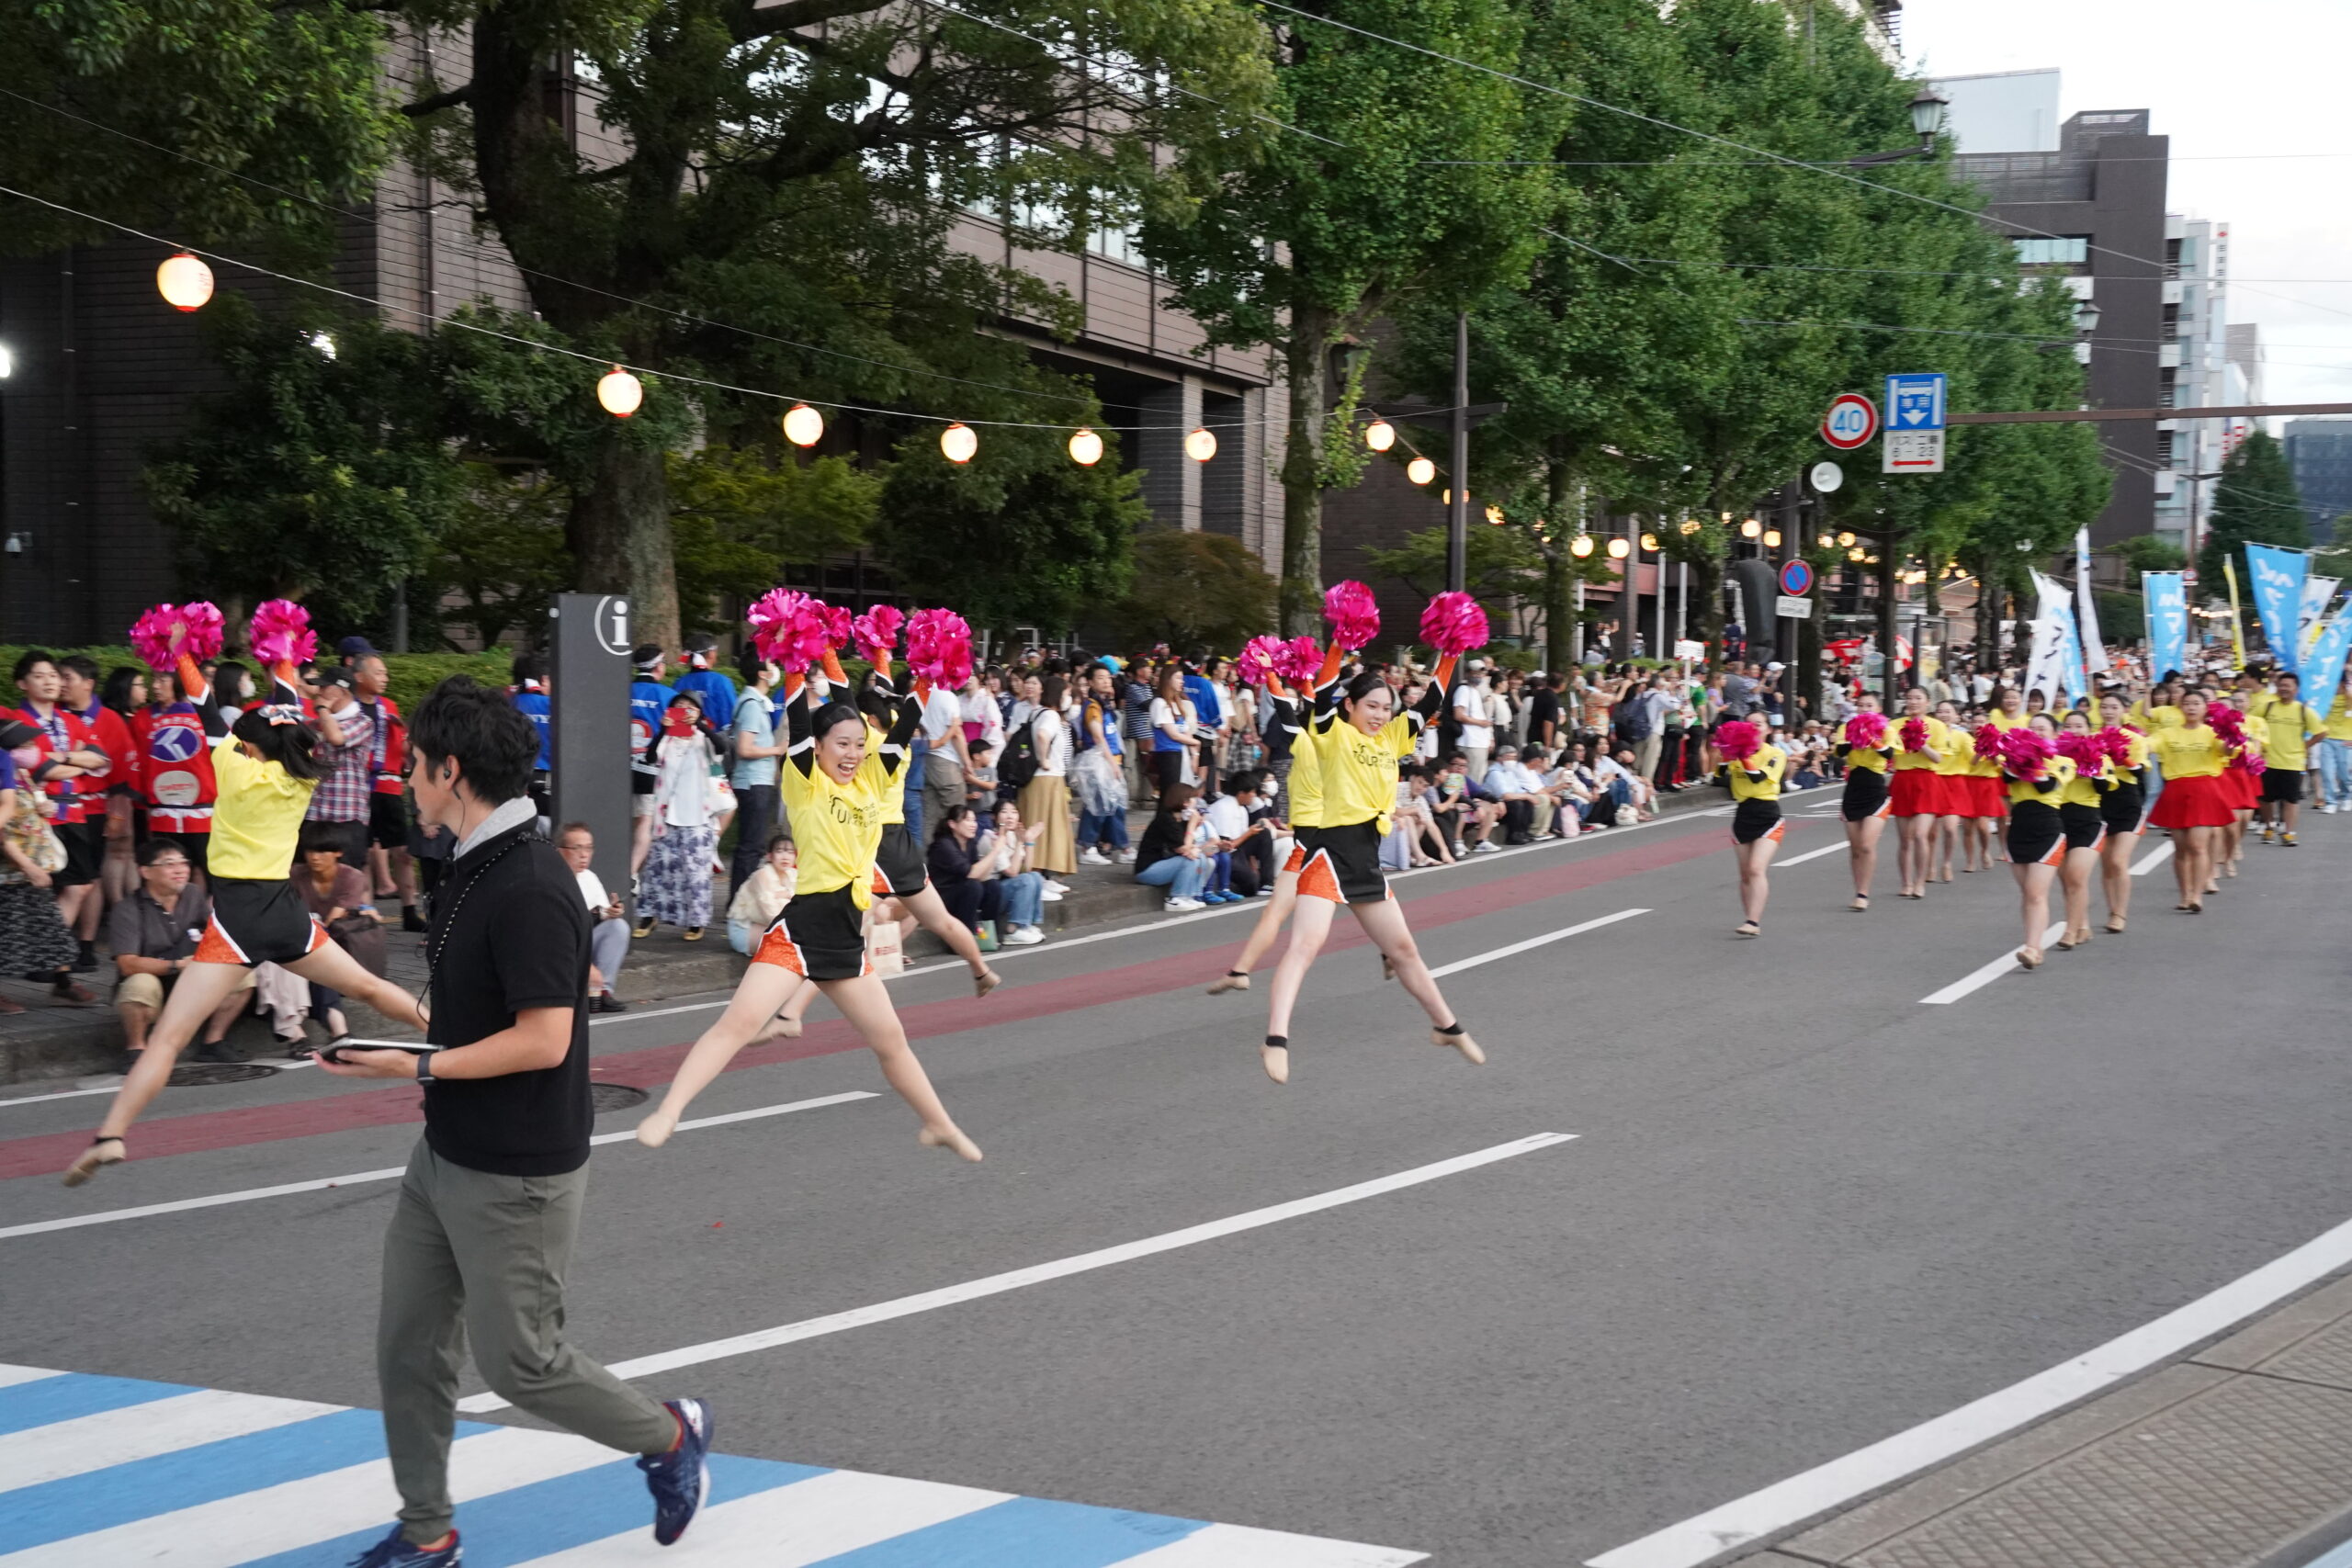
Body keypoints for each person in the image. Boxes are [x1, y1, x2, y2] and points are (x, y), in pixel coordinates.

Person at [311, 675, 713, 1567]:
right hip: (444, 1152)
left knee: (523, 1362)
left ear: (450, 771)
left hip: (519, 1170)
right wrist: (399, 1040)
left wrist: (414, 1064)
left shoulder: (530, 883)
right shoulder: (473, 864)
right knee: (410, 1350)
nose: (405, 783)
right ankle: (428, 1534)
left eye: (413, 766)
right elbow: (470, 1006)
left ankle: (671, 1434)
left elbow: (543, 1039)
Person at [64, 653, 424, 1184]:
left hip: (233, 923)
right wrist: (283, 651)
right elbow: (284, 705)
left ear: (249, 746)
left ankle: (111, 1135)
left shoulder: (234, 767)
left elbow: (203, 702)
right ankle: (448, 1036)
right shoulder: (300, 778)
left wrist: (181, 650)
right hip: (286, 913)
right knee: (369, 988)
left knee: (167, 1041)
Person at [634, 665, 980, 1162]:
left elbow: (903, 727)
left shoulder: (871, 780)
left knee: (892, 1042)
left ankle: (938, 1124)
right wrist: (796, 666)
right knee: (737, 1025)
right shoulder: (805, 782)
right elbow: (799, 722)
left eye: (858, 744)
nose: (852, 753)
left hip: (847, 940)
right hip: (798, 935)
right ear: (817, 748)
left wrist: (926, 676)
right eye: (841, 744)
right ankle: (670, 1111)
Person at [1260, 663, 1482, 1087]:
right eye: (1371, 706)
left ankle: (1447, 1028)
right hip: (1328, 855)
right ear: (1350, 705)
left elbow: (1432, 700)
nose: (1380, 715)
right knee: (1305, 946)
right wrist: (1337, 645)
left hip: (1365, 860)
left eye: (1386, 708)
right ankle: (1275, 1040)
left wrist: (1451, 652)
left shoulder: (1392, 737)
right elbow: (1322, 691)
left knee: (1404, 951)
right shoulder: (1331, 732)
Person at [10, 651, 110, 974]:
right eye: (40, 676)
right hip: (36, 816)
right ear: (22, 684)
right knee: (38, 890)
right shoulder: (16, 721)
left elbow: (101, 760)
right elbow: (43, 770)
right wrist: (76, 761)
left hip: (74, 812)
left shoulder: (71, 720)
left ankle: (48, 958)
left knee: (80, 885)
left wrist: (60, 756)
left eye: (53, 675)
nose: (50, 681)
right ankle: (48, 961)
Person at [109, 839, 251, 1060]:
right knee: (140, 985)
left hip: (190, 979)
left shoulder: (192, 894)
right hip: (155, 981)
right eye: (169, 864)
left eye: (183, 863)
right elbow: (127, 964)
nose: (180, 870)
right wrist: (178, 965)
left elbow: (214, 933)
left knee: (243, 975)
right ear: (145, 872)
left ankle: (213, 1041)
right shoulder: (127, 909)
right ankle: (136, 1048)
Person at [281, 823, 385, 1053]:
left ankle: (334, 1027)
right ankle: (338, 1028)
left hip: (336, 943)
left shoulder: (352, 877)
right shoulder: (295, 875)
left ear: (338, 852)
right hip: (302, 942)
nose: (314, 857)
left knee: (320, 947)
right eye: (310, 851)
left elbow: (332, 920)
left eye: (322, 851)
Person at [634, 691, 720, 941]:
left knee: (695, 870)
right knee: (657, 868)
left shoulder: (703, 738)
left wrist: (700, 725)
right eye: (679, 705)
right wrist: (663, 729)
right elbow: (650, 757)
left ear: (698, 712)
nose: (683, 709)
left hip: (696, 815)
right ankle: (649, 916)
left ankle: (696, 922)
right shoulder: (668, 738)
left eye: (689, 706)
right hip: (666, 812)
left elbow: (722, 747)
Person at [350, 651, 424, 931]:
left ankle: (409, 910)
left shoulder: (389, 707)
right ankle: (366, 910)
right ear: (359, 676)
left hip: (389, 786)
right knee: (362, 852)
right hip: (359, 786)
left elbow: (404, 750)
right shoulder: (349, 708)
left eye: (385, 673)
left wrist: (407, 736)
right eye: (378, 673)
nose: (385, 678)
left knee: (402, 851)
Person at [2146, 692, 2235, 914]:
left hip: (2204, 790)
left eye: (2196, 703)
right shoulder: (2167, 733)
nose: (2191, 707)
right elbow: (2148, 745)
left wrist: (2232, 737)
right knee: (2180, 847)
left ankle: (2197, 895)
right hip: (2176, 790)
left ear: (2206, 708)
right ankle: (2184, 894)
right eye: (2186, 703)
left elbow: (2227, 750)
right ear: (2180, 708)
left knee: (2197, 845)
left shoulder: (2212, 732)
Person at [1999, 715, 2073, 970]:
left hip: (2047, 827)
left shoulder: (2064, 762)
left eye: (2042, 729)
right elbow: (2007, 778)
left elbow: (2046, 786)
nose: (2036, 733)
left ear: (2055, 734)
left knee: (2035, 892)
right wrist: (2017, 756)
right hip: (2019, 825)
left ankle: (2032, 947)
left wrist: (2033, 759)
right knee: (2028, 893)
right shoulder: (2014, 760)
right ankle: (2034, 945)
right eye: (2032, 729)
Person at [304, 667, 378, 870]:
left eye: (324, 688)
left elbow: (336, 738)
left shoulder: (363, 722)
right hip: (314, 814)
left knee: (347, 875)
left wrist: (322, 709)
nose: (318, 692)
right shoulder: (314, 725)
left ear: (341, 691)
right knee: (309, 878)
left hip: (347, 816)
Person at [1715, 721, 1783, 938]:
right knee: (1745, 874)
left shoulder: (1775, 754)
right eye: (1750, 725)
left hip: (1768, 815)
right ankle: (1750, 917)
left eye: (1759, 724)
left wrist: (1743, 755)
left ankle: (1753, 921)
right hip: (1743, 814)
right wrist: (1727, 755)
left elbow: (1757, 777)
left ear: (1768, 730)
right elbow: (1718, 779)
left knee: (1755, 868)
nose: (1754, 728)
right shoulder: (1735, 756)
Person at [2052, 713, 2112, 953]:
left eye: (2079, 726)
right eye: (2068, 726)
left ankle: (2070, 930)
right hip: (2057, 818)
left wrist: (2091, 765)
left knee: (2076, 875)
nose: (2073, 730)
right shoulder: (2053, 756)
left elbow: (2104, 787)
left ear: (2089, 729)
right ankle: (2083, 924)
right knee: (2066, 879)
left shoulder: (2100, 755)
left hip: (2087, 819)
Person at [729, 651, 786, 893]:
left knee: (752, 845)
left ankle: (741, 899)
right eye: (772, 665)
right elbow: (745, 748)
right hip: (753, 782)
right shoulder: (752, 706)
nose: (776, 669)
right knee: (751, 846)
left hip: (755, 781)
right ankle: (739, 901)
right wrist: (777, 749)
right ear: (762, 674)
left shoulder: (755, 702)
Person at [558, 823, 630, 1014]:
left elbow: (600, 913)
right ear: (560, 851)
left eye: (588, 848)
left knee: (618, 927)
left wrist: (611, 912)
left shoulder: (589, 877)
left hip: (584, 941)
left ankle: (601, 992)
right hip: (559, 948)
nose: (584, 855)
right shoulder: (552, 880)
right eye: (577, 848)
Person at [1887, 689, 1951, 900]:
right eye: (1909, 698)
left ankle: (1919, 882)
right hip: (1903, 779)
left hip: (1927, 780)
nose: (1913, 702)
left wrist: (1920, 742)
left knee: (1920, 834)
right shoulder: (1895, 725)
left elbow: (1938, 758)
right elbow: (1890, 753)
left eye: (1918, 698)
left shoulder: (1937, 726)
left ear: (1927, 702)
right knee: (1905, 838)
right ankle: (1906, 882)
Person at [1834, 696, 1895, 911]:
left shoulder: (1886, 728)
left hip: (1875, 788)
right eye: (1860, 706)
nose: (1864, 709)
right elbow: (1840, 752)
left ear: (1878, 708)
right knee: (1856, 847)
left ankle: (1863, 893)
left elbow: (1889, 753)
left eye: (1869, 706)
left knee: (1867, 845)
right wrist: (1856, 735)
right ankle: (1857, 888)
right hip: (1854, 788)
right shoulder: (1846, 727)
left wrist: (1871, 738)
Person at [2093, 694, 2148, 933]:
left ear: (2124, 710)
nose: (2108, 711)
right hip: (2100, 800)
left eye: (2114, 707)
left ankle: (2121, 913)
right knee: (2107, 864)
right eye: (2104, 707)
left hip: (2127, 800)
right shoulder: (2092, 738)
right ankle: (2112, 911)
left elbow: (2140, 772)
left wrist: (2121, 755)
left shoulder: (2134, 738)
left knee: (2118, 860)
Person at [1014, 672, 1076, 886]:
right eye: (1066, 693)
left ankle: (1040, 876)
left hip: (1039, 779)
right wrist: (1044, 759)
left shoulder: (1037, 713)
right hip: (1047, 778)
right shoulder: (1051, 716)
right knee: (1046, 827)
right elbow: (1042, 735)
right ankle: (1039, 877)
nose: (1068, 698)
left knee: (1040, 825)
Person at [2250, 671, 2320, 846]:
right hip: (2267, 761)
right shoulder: (2267, 707)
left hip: (2292, 763)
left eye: (2287, 686)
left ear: (2296, 689)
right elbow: (2249, 723)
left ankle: (2288, 833)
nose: (2283, 688)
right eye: (2281, 685)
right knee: (2265, 799)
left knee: (2291, 800)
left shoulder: (2303, 710)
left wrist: (2305, 745)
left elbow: (2321, 732)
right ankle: (2269, 827)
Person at [1073, 663, 1132, 863]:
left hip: (1107, 761)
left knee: (1113, 806)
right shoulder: (1093, 706)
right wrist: (1112, 764)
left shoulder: (1103, 704)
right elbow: (1098, 737)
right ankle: (1088, 847)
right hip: (1100, 763)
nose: (1106, 681)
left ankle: (1122, 847)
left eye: (1108, 677)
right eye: (1100, 678)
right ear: (1090, 682)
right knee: (1098, 806)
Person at [626, 647, 675, 881]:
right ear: (658, 667)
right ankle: (631, 875)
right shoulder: (668, 696)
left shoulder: (620, 690)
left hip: (619, 766)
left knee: (626, 821)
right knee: (645, 822)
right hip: (650, 768)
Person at [1134, 783, 1216, 911]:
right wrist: (1192, 826)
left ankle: (1192, 895)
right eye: (1193, 798)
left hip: (1166, 865)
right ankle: (1176, 899)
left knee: (1202, 859)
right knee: (1189, 860)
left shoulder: (1182, 820)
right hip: (1148, 870)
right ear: (1185, 802)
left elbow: (1192, 847)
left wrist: (1196, 848)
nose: (1196, 802)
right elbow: (1183, 849)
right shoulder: (1166, 819)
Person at [725, 833, 794, 958]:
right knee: (793, 944)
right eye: (779, 851)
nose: (785, 857)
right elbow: (770, 912)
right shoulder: (762, 875)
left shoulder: (792, 875)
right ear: (769, 856)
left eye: (790, 852)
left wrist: (787, 895)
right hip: (745, 928)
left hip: (769, 925)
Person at [510, 652, 554, 826]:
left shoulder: (505, 704)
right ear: (544, 680)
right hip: (550, 792)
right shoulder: (555, 706)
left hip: (513, 791)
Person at [1148, 666, 1199, 803]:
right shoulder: (1159, 703)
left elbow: (1186, 731)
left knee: (1180, 797)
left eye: (1182, 678)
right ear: (1167, 680)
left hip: (1180, 754)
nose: (1182, 681)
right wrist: (1196, 743)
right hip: (1167, 754)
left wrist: (1194, 754)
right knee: (1169, 797)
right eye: (1178, 678)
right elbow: (1173, 734)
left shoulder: (1176, 703)